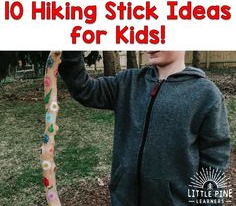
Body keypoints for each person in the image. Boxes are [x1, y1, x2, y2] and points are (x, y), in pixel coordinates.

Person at [58, 51, 231, 206]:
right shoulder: (128, 82)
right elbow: (85, 90)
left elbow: (214, 160)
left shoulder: (206, 94)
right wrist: (70, 53)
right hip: (123, 199)